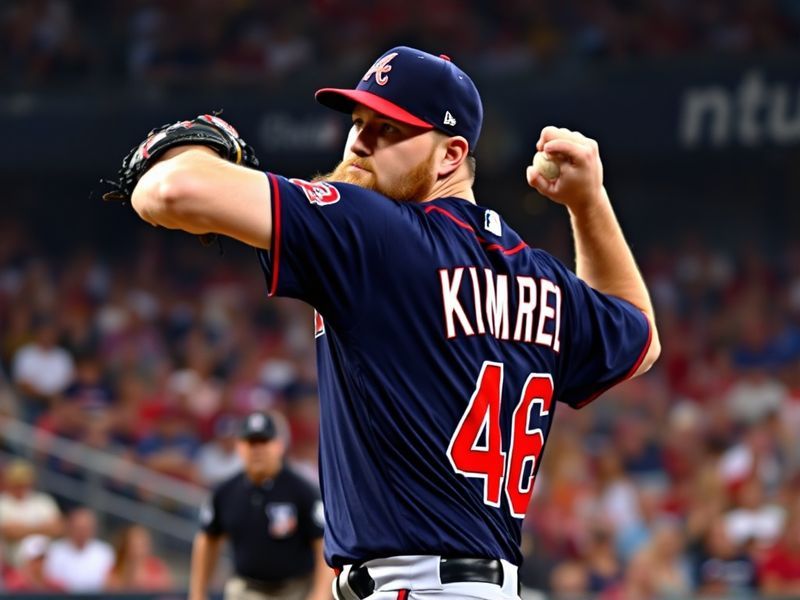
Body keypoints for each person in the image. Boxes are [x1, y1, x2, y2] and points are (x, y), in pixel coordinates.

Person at [120, 45, 660, 600]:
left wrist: (196, 146)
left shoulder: (380, 232)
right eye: (358, 123)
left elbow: (172, 189)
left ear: (452, 154)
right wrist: (589, 204)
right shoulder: (544, 278)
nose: (359, 142)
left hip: (409, 587)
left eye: (388, 129)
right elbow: (640, 337)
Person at [190, 411, 330, 600]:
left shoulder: (302, 491)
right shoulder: (224, 493)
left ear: (279, 446)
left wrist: (319, 594)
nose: (257, 449)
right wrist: (198, 593)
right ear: (239, 447)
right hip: (247, 588)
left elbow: (322, 544)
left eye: (264, 441)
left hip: (296, 589)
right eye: (251, 442)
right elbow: (207, 539)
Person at [0, 460, 64, 567]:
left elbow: (58, 528)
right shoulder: (3, 503)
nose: (21, 486)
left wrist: (24, 529)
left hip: (47, 559)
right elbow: (10, 532)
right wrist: (42, 528)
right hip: (14, 562)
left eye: (24, 482)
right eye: (17, 482)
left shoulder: (43, 500)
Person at [43, 506, 114, 592]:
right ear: (70, 527)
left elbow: (110, 583)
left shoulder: (104, 551)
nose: (82, 533)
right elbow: (49, 580)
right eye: (78, 528)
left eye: (85, 528)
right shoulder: (55, 550)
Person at [105, 524, 174, 591]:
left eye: (143, 542)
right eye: (136, 542)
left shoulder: (157, 567)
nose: (140, 546)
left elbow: (166, 591)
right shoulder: (117, 568)